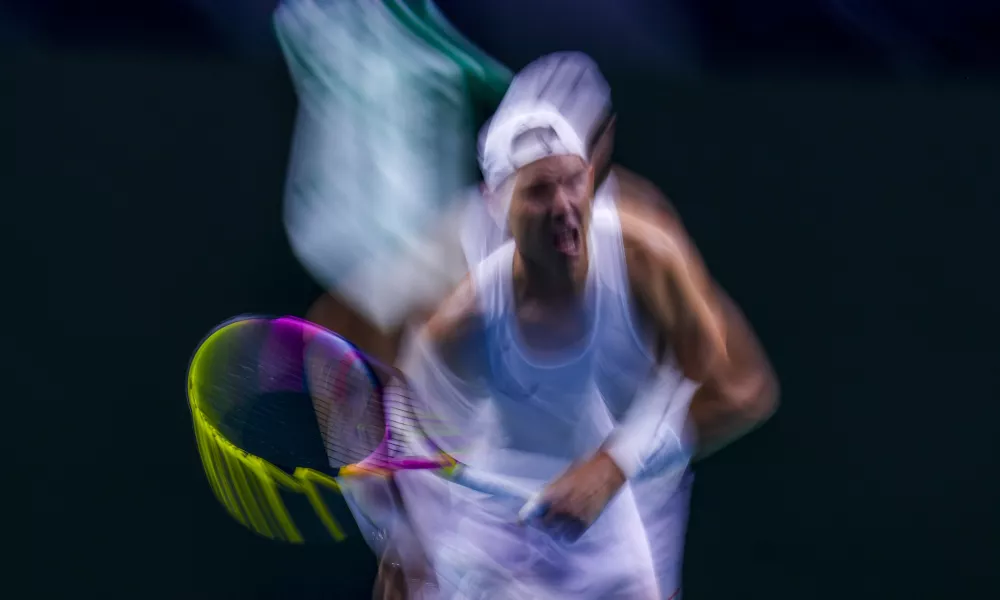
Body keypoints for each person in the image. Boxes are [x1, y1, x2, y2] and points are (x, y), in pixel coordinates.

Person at [363, 53, 779, 599]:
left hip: (620, 542)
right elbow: (409, 433)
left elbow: (740, 391)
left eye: (573, 181)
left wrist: (612, 467)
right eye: (538, 191)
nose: (563, 205)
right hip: (498, 544)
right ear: (499, 208)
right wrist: (405, 540)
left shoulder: (645, 257)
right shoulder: (461, 323)